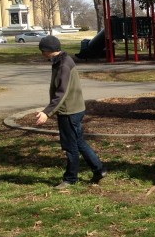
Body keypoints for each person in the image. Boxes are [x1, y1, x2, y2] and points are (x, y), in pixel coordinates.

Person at [34, 36, 107, 189]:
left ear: (48, 51)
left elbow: (62, 93)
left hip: (69, 112)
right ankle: (99, 170)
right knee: (79, 142)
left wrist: (47, 113)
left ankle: (70, 178)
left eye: (42, 51)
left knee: (70, 146)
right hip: (74, 109)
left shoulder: (63, 65)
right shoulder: (61, 61)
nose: (42, 54)